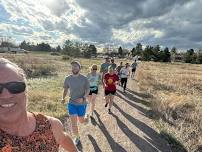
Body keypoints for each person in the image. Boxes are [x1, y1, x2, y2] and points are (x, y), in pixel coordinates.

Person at [0, 58, 77, 152]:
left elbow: (63, 138)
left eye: (14, 87)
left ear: (26, 91)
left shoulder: (50, 126)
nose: (6, 95)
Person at [62, 60, 90, 146]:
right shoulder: (67, 78)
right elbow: (65, 89)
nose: (74, 68)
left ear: (79, 68)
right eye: (72, 66)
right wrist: (63, 98)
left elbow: (88, 90)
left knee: (81, 121)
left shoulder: (84, 78)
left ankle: (86, 119)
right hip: (72, 103)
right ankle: (77, 137)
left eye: (76, 66)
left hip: (82, 103)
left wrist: (83, 98)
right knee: (73, 123)